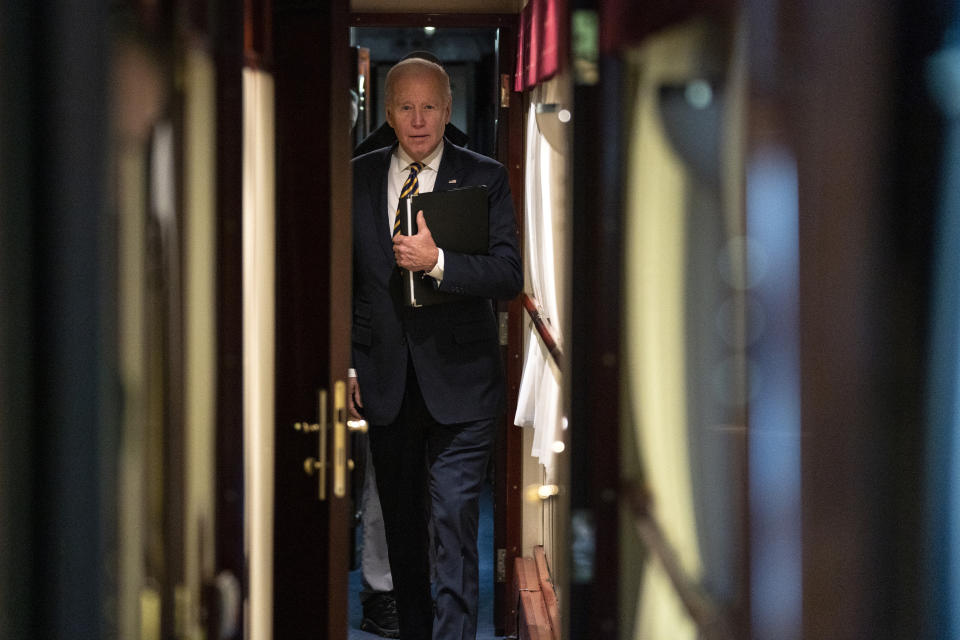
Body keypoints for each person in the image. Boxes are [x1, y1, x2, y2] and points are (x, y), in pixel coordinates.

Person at [348, 56, 521, 640]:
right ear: (388, 113)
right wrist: (346, 365)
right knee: (402, 528)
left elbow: (506, 274)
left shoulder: (485, 175)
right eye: (406, 107)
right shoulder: (357, 176)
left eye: (430, 107)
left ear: (449, 111)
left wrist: (438, 263)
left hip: (463, 380)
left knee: (452, 520)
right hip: (385, 379)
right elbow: (342, 283)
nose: (419, 120)